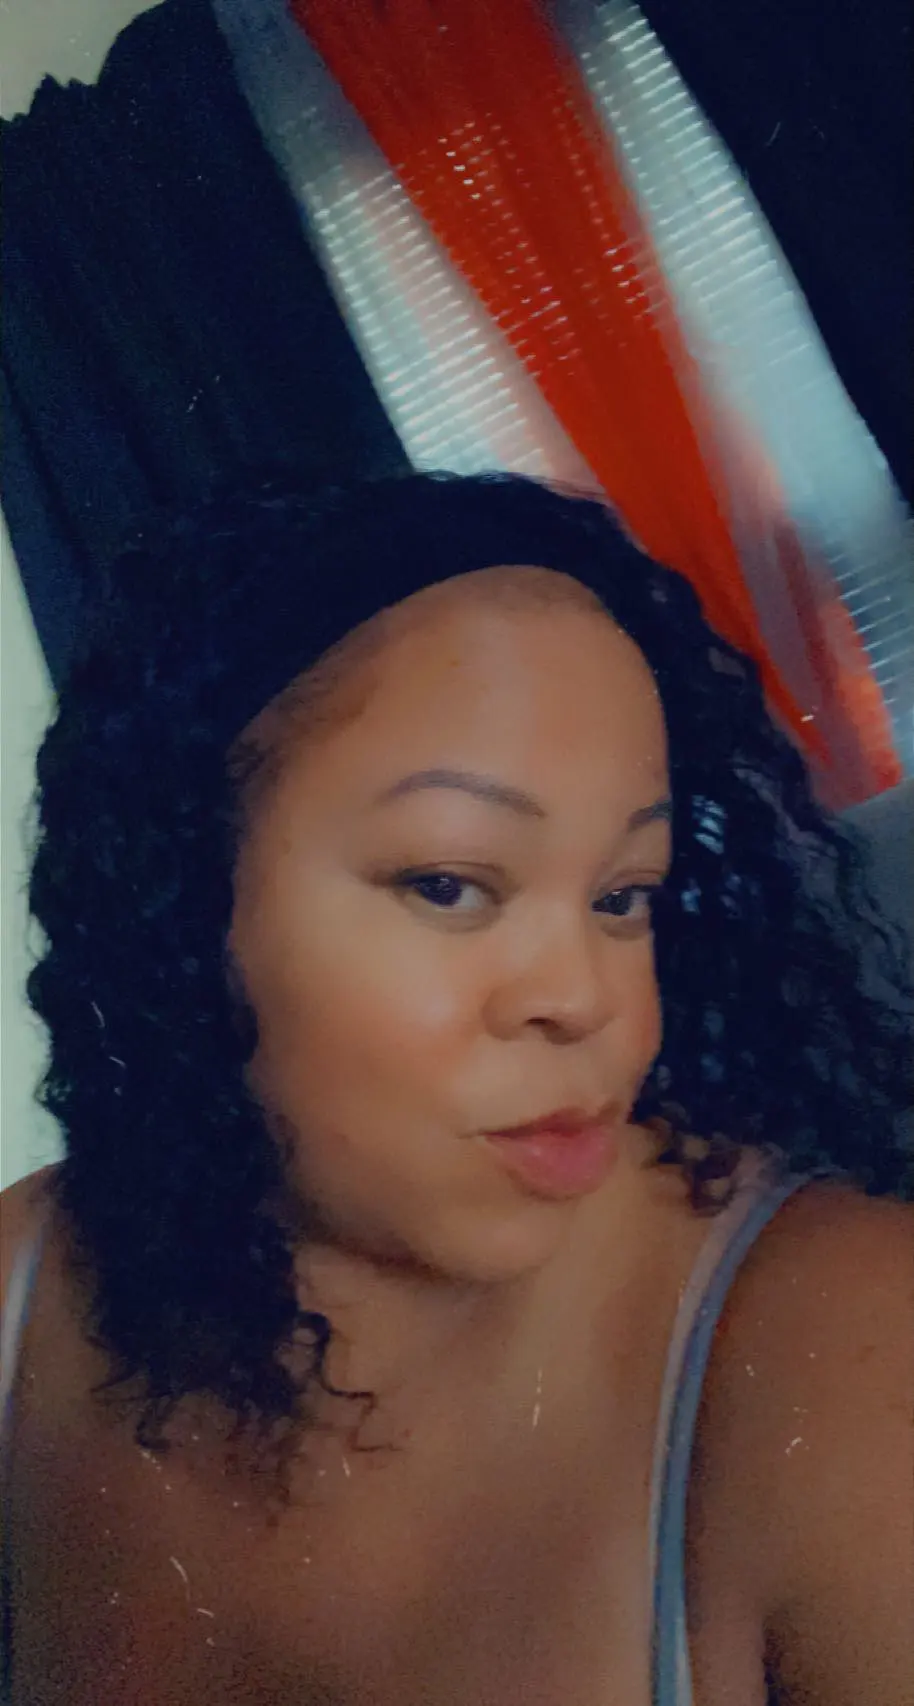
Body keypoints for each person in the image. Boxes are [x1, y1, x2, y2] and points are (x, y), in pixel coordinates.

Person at [1, 471, 911, 1706]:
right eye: (448, 883)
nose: (580, 996)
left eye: (621, 895)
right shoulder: (21, 1297)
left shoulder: (854, 1361)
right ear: (184, 903)